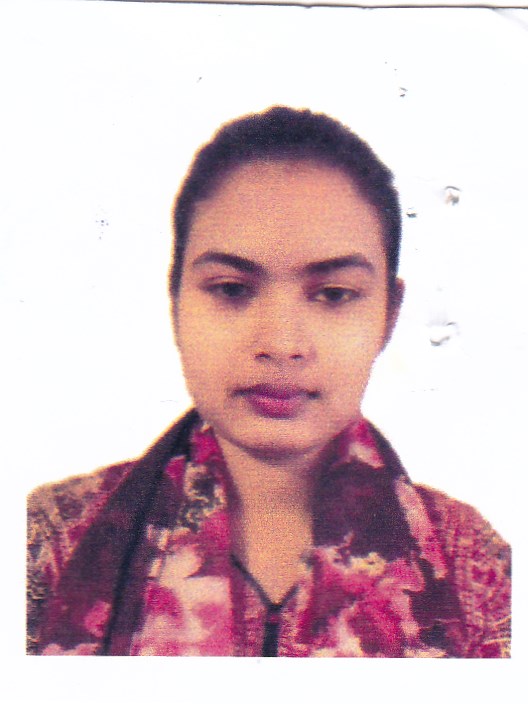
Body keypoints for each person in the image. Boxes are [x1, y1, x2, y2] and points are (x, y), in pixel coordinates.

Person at [26, 106, 510, 657]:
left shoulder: (475, 570)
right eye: (231, 289)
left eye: (333, 295)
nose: (280, 343)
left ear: (388, 316)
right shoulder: (48, 546)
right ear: (175, 300)